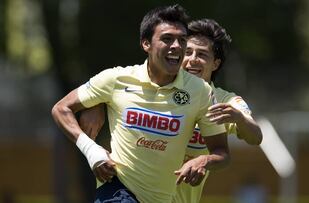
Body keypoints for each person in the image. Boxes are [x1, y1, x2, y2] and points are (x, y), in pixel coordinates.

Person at [51, 4, 230, 203]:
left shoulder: (200, 91)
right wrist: (91, 150)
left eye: (182, 40)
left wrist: (203, 160)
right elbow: (61, 108)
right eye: (167, 39)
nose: (177, 46)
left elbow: (222, 153)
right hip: (118, 189)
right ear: (146, 44)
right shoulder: (116, 79)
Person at [79, 18, 263, 203]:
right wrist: (98, 104)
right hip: (130, 193)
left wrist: (239, 118)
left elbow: (255, 136)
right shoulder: (156, 87)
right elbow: (118, 90)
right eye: (188, 52)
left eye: (201, 54)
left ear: (215, 63)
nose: (192, 60)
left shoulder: (223, 101)